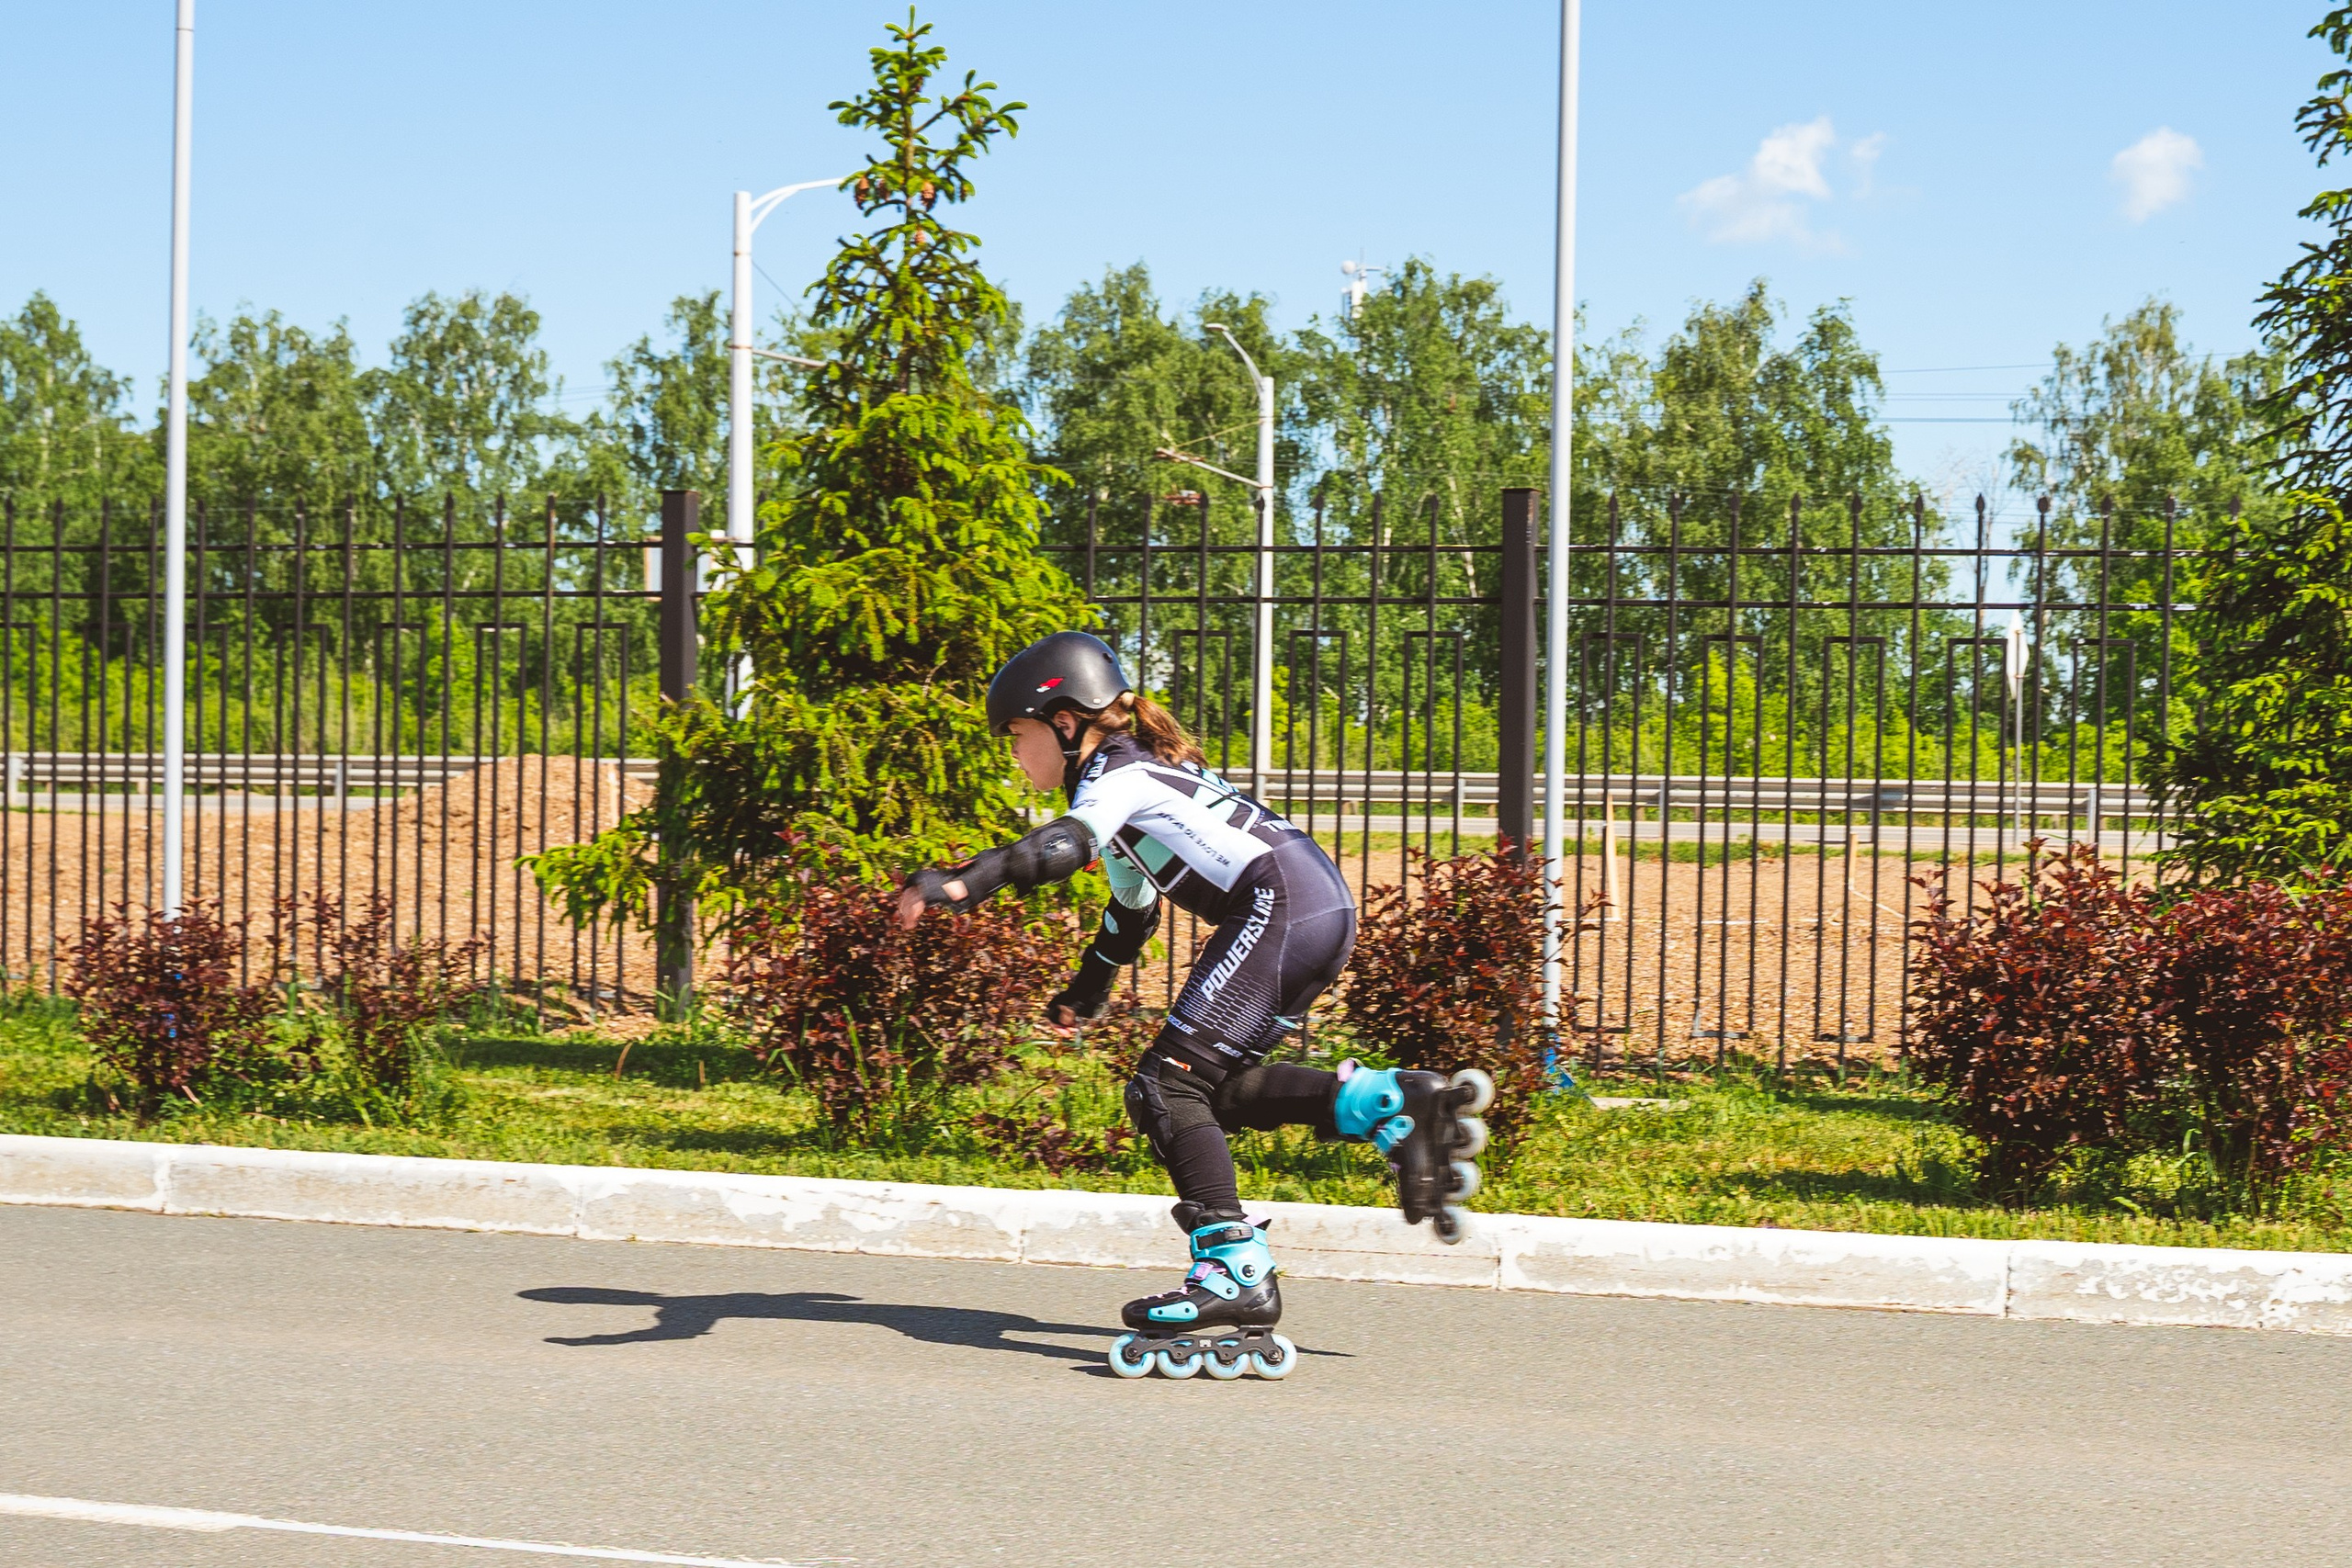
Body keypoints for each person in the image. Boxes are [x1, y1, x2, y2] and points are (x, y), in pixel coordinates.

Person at [896, 631, 1489, 1380]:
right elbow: (1132, 910)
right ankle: (1385, 1102)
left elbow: (1061, 847)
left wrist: (963, 880)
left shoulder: (1116, 774)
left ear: (1067, 722)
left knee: (1163, 1086)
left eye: (1018, 735)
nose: (1014, 754)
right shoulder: (1137, 779)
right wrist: (1088, 989)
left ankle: (1234, 1270)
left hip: (1283, 906)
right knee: (1206, 1090)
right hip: (1310, 907)